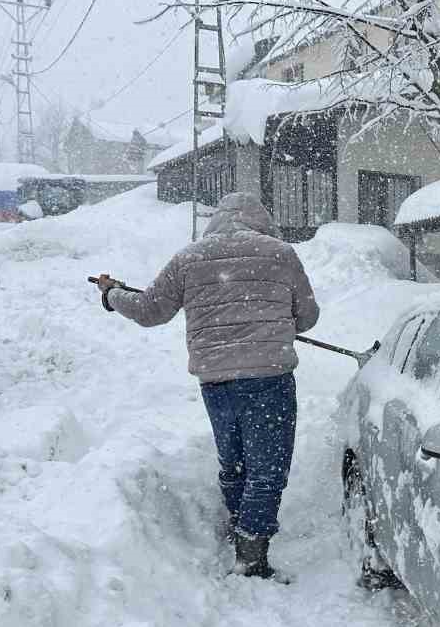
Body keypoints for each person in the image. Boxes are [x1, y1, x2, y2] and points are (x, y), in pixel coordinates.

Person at [92, 192, 319, 580]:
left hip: (216, 382)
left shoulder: (190, 258)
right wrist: (275, 324)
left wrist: (112, 295)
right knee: (267, 468)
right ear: (260, 220)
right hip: (269, 380)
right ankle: (252, 555)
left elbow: (150, 310)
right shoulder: (280, 253)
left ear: (217, 219)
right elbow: (308, 316)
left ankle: (238, 526)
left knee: (234, 462)